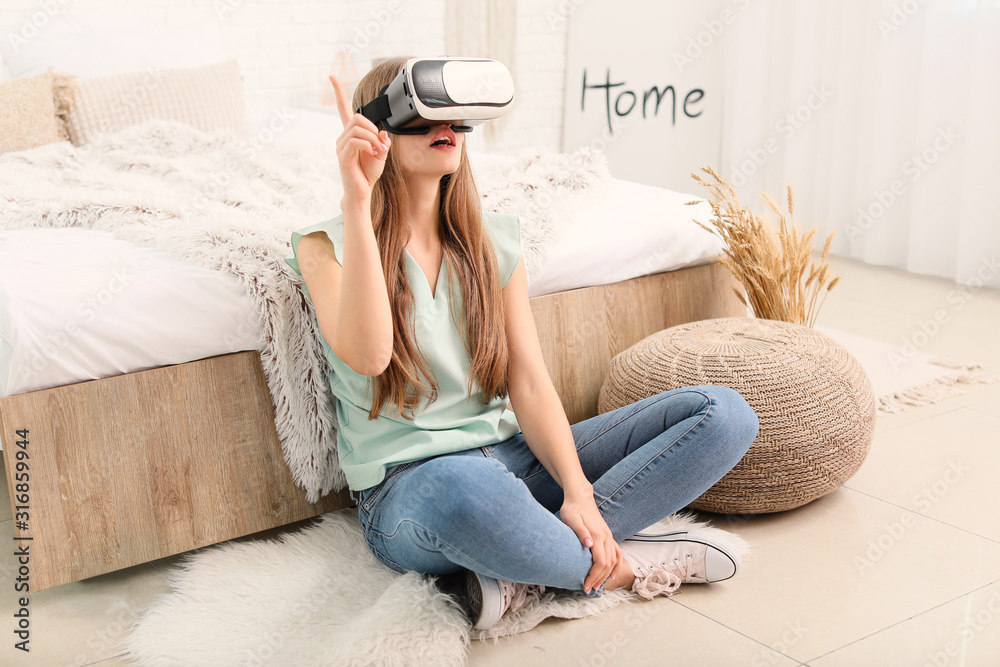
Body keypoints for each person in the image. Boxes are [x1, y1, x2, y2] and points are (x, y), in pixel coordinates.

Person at [284, 56, 760, 630]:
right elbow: (369, 357)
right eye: (424, 116)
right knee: (463, 486)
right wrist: (358, 204)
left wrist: (577, 491)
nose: (446, 130)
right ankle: (625, 568)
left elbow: (529, 382)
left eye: (455, 120)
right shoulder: (326, 245)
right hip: (414, 489)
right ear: (379, 128)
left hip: (516, 458)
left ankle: (523, 565)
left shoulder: (493, 241)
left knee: (724, 415)